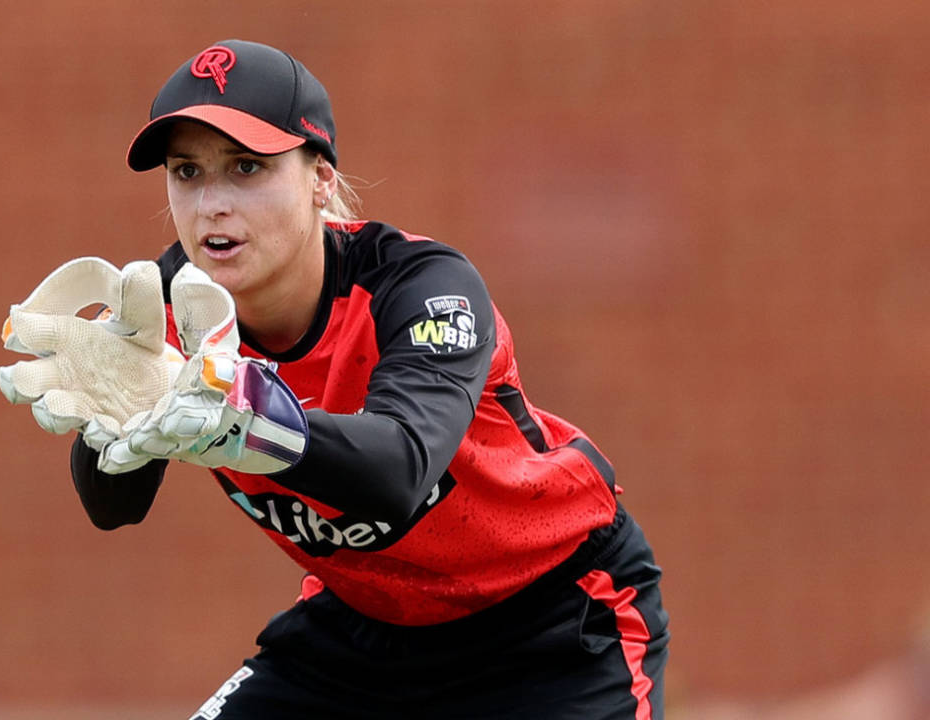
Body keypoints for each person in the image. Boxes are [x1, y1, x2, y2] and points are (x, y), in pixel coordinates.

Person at [48, 39, 668, 719]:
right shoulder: (163, 308)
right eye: (187, 172)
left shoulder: (422, 286)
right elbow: (114, 507)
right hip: (366, 631)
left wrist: (246, 417)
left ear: (319, 179)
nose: (211, 204)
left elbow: (398, 471)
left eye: (247, 167)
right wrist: (113, 405)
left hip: (552, 620)